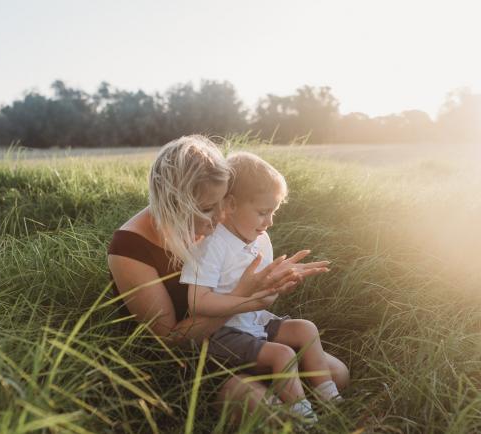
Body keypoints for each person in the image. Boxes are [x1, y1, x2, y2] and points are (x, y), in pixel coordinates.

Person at [107, 135, 349, 421]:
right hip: (194, 357)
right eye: (209, 208)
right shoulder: (130, 248)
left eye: (223, 203)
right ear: (176, 202)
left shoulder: (217, 223)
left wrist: (271, 283)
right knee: (269, 414)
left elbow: (249, 284)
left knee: (338, 375)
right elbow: (170, 341)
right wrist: (244, 297)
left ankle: (280, 386)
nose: (220, 216)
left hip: (240, 330)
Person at [180, 151, 343, 423]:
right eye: (262, 212)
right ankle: (305, 419)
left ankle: (333, 403)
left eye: (274, 212)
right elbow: (197, 302)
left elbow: (262, 294)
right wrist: (249, 302)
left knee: (306, 329)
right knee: (283, 354)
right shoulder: (211, 244)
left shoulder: (260, 238)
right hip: (222, 333)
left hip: (254, 322)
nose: (269, 222)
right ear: (230, 205)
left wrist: (277, 284)